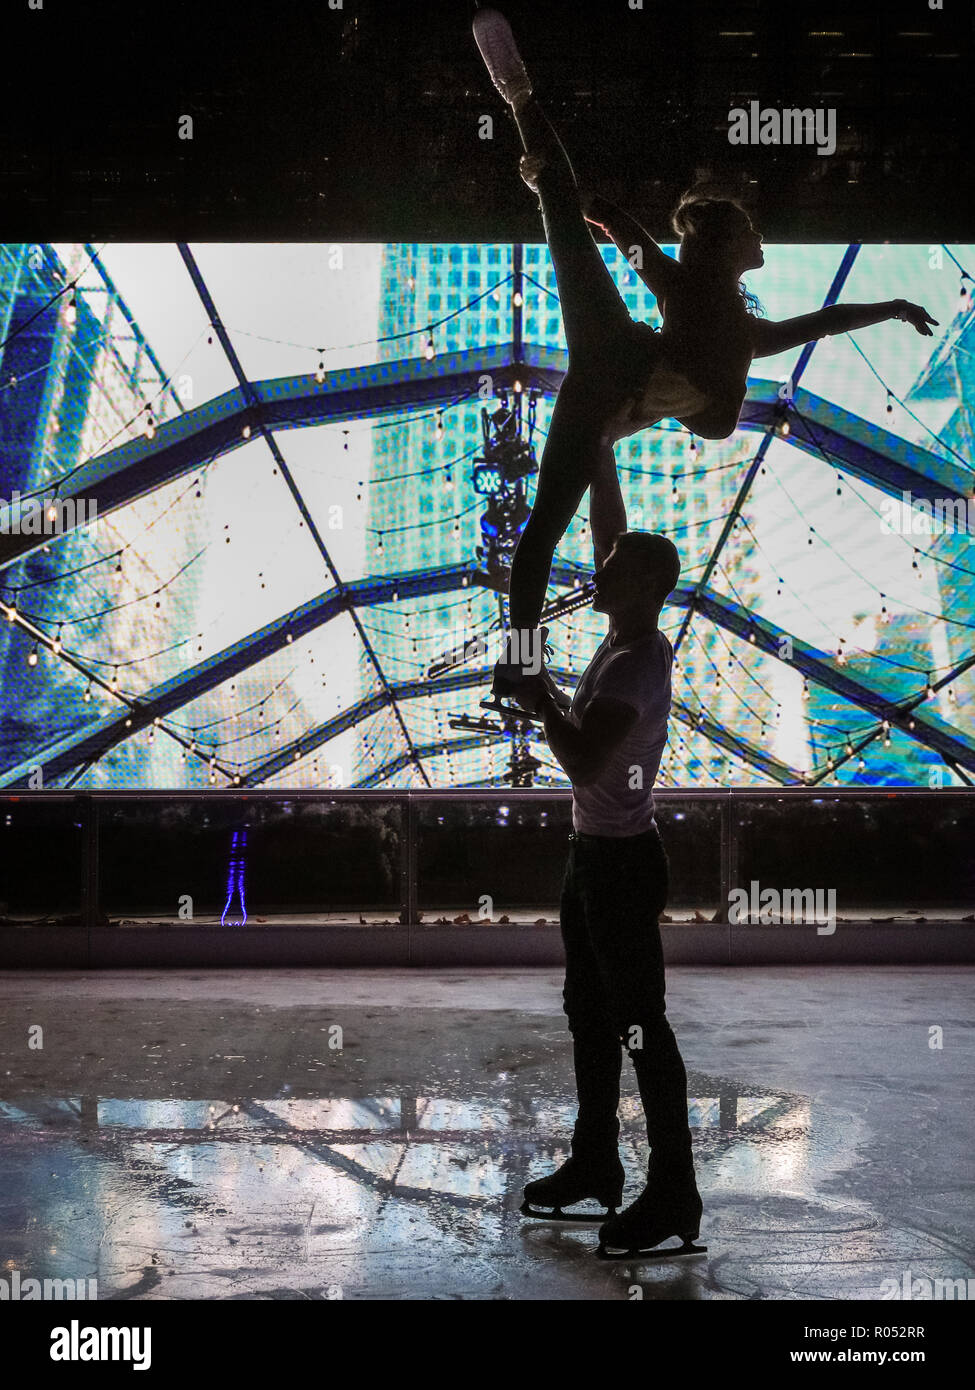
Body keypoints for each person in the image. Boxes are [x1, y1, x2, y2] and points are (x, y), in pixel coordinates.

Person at [471, 6, 938, 710]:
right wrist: (579, 202)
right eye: (751, 231)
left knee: (542, 525)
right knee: (541, 522)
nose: (759, 241)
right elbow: (821, 318)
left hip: (606, 377)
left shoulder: (722, 317)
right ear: (725, 246)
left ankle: (517, 665)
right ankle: (519, 97)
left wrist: (892, 309)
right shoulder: (697, 298)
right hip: (611, 369)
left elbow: (825, 320)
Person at [516, 516, 702, 1256]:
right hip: (595, 857)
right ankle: (597, 1161)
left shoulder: (632, 662)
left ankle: (672, 1193)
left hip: (617, 867)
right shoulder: (626, 641)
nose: (598, 570)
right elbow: (588, 736)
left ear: (650, 585)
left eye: (614, 565)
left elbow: (585, 762)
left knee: (638, 1029)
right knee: (593, 1019)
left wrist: (539, 704)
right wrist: (595, 450)